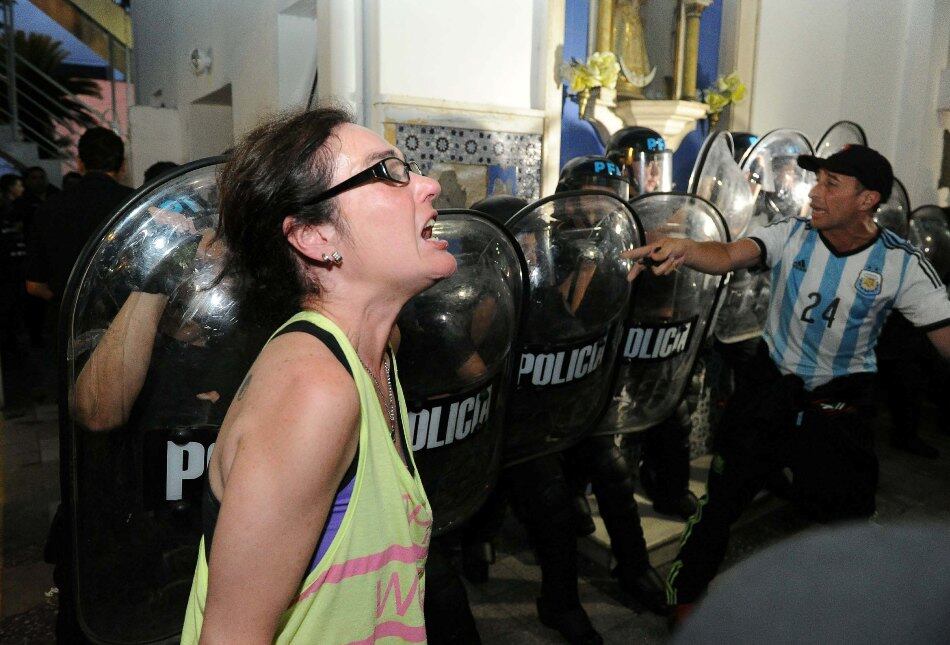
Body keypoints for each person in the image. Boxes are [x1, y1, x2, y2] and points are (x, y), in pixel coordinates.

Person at [623, 144, 950, 624]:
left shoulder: (901, 264)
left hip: (839, 403)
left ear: (867, 200)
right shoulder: (789, 234)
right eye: (816, 182)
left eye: (830, 185)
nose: (814, 194)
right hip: (768, 389)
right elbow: (732, 254)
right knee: (721, 503)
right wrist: (688, 249)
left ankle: (851, 616)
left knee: (849, 520)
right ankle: (685, 601)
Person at [181, 107, 455, 643]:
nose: (428, 184)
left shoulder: (372, 355)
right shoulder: (314, 389)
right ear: (314, 236)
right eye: (390, 173)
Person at [24, 128, 135, 315]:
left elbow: (34, 286)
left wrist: (68, 303)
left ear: (79, 163)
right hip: (123, 320)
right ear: (123, 165)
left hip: (66, 323)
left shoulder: (49, 207)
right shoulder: (135, 204)